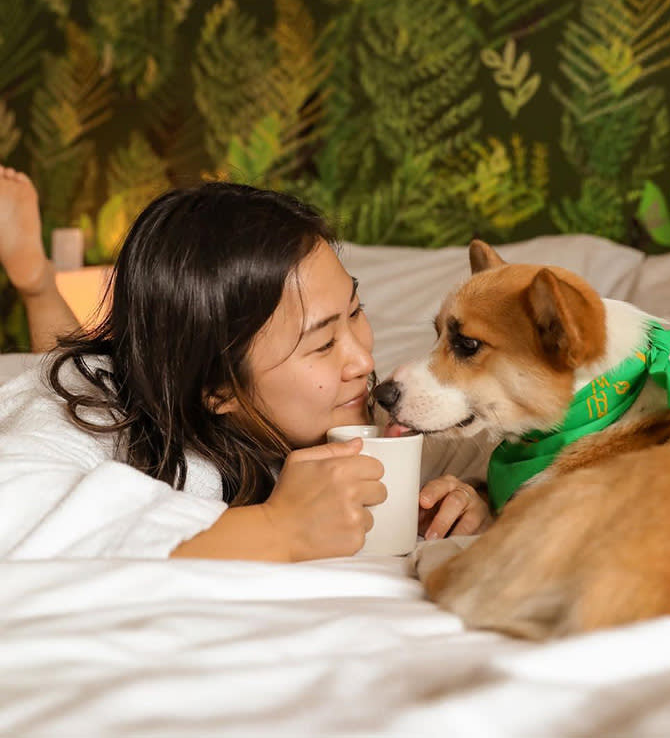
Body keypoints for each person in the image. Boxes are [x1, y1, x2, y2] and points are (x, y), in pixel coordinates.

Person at [0, 165, 492, 561]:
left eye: (356, 312)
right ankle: (38, 282)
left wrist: (454, 501)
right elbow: (19, 507)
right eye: (322, 345)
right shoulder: (94, 408)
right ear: (217, 388)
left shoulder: (354, 411)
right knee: (64, 370)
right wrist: (275, 527)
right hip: (82, 382)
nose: (363, 359)